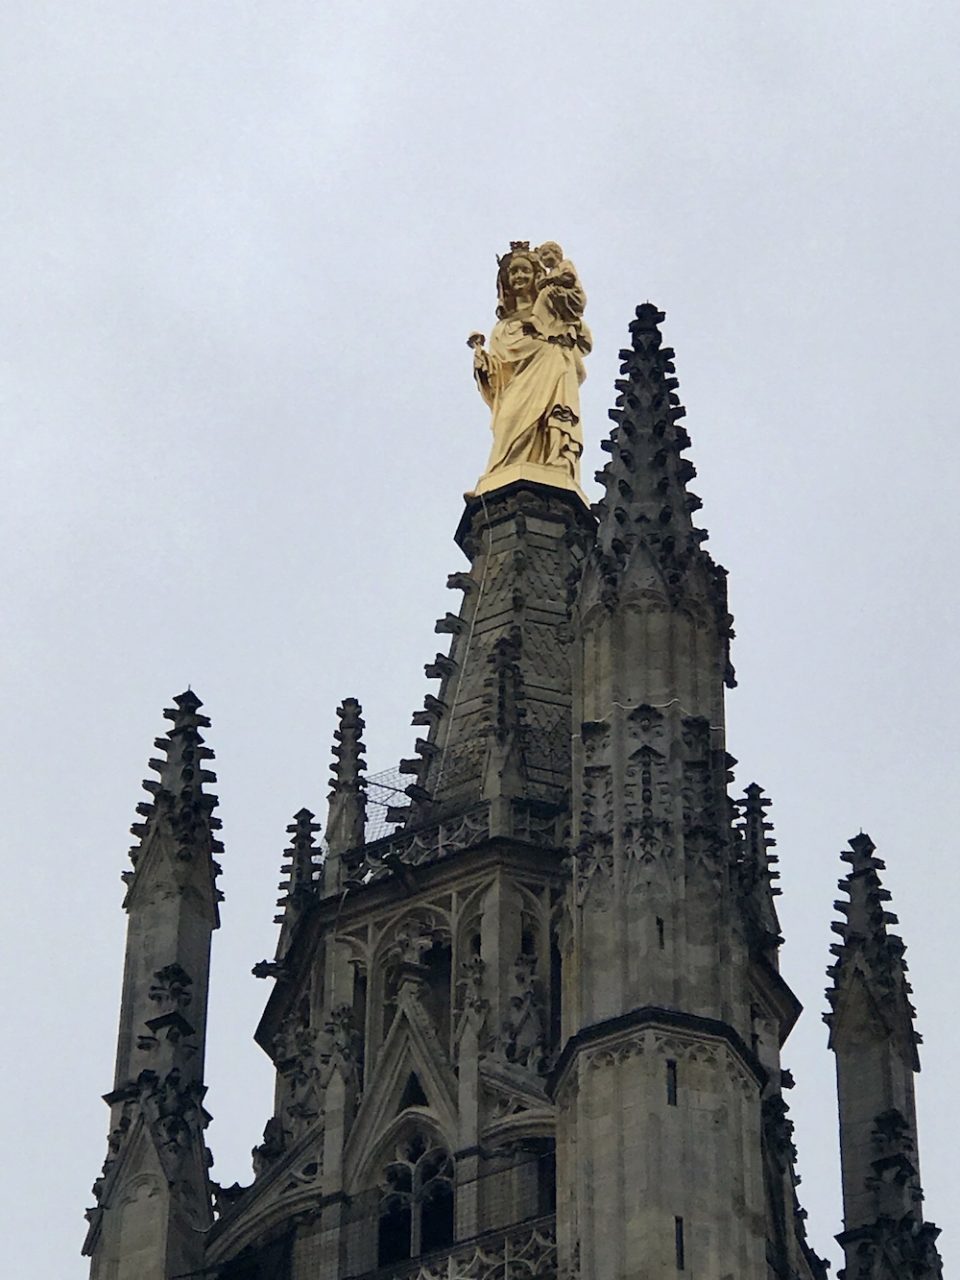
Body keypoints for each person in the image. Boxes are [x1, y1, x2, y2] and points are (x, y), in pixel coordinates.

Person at [469, 246, 588, 484]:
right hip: (518, 388)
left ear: (537, 275)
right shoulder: (503, 328)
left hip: (553, 369)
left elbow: (581, 338)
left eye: (525, 270)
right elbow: (503, 372)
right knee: (508, 423)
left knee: (555, 418)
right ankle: (501, 472)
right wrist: (485, 366)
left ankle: (556, 459)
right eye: (513, 273)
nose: (519, 277)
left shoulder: (553, 307)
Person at [531, 241, 592, 352]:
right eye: (541, 258)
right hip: (559, 297)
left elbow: (569, 278)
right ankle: (553, 331)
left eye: (545, 254)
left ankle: (536, 319)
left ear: (556, 253)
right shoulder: (551, 273)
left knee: (547, 293)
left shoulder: (565, 264)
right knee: (547, 295)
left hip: (574, 296)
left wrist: (550, 280)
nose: (543, 259)